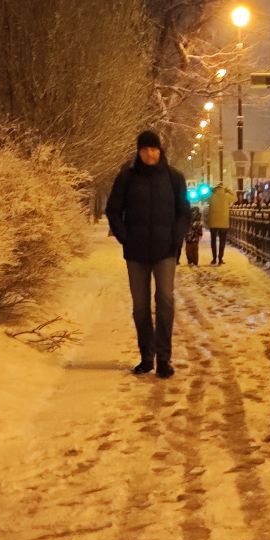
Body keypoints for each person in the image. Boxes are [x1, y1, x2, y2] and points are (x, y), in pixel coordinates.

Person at [106, 130, 190, 379]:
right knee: (140, 307)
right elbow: (113, 210)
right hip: (136, 252)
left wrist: (176, 239)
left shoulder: (174, 178)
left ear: (160, 150)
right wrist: (125, 237)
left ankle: (164, 358)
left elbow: (184, 212)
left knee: (165, 301)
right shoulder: (126, 178)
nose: (149, 153)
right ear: (139, 151)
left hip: (165, 251)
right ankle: (147, 357)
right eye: (144, 149)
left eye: (153, 149)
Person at [206, 181, 234, 265]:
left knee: (213, 241)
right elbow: (235, 198)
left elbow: (202, 198)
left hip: (213, 222)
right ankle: (220, 259)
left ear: (216, 188)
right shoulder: (227, 196)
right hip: (224, 223)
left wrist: (210, 191)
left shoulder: (211, 196)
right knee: (222, 241)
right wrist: (229, 191)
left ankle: (214, 259)